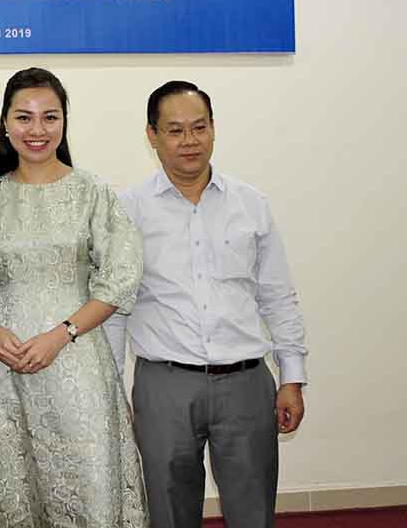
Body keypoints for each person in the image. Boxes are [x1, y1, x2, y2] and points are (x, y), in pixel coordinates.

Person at [106, 80, 308, 528]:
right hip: (164, 386)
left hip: (246, 384)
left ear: (214, 128)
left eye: (199, 127)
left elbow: (278, 296)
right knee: (170, 514)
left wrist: (292, 377)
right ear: (152, 135)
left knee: (253, 513)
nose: (189, 140)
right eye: (175, 130)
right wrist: (113, 392)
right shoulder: (127, 211)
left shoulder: (251, 204)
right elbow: (115, 310)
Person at [0, 67, 148, 528]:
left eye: (50, 117)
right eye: (24, 117)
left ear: (64, 121)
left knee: (86, 490)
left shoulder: (92, 192)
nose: (38, 129)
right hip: (9, 365)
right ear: (5, 123)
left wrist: (61, 334)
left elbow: (119, 278)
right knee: (15, 497)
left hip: (77, 362)